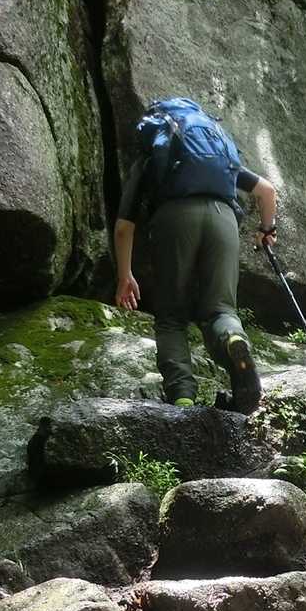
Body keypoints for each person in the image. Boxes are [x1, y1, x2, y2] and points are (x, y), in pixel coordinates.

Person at [113, 99, 277, 412]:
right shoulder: (218, 155)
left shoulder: (155, 154)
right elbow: (267, 191)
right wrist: (266, 229)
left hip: (174, 217)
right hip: (223, 218)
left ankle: (182, 397)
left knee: (171, 317)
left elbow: (124, 227)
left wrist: (125, 275)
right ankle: (233, 339)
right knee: (221, 309)